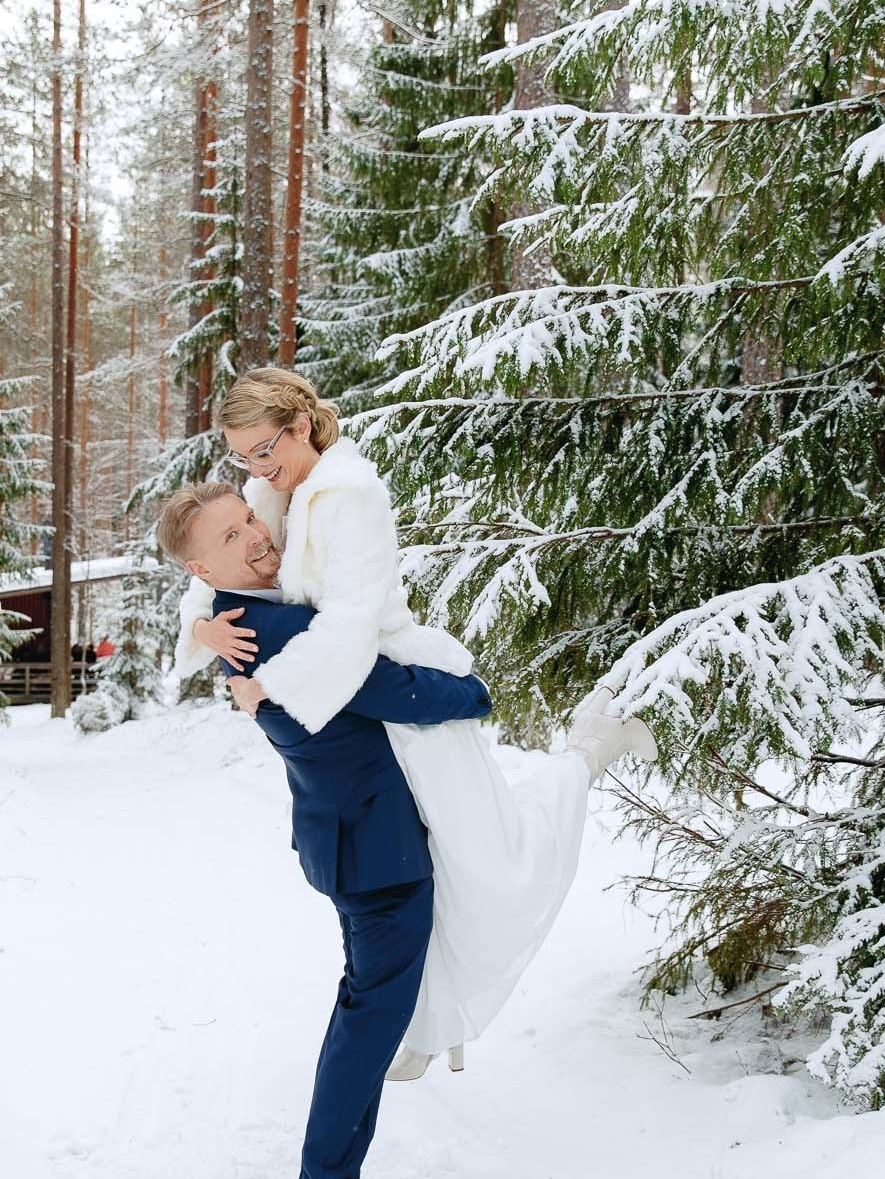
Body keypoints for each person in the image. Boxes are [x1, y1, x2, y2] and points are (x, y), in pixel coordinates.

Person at [172, 369, 656, 1076]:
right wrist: (204, 630)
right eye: (242, 456)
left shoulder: (349, 498)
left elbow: (347, 637)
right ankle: (433, 1027)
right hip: (358, 704)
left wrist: (267, 686)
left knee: (492, 856)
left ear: (301, 426)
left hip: (400, 688)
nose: (254, 469)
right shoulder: (270, 490)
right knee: (446, 873)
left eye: (262, 449)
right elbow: (205, 572)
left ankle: (589, 748)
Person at [155, 483, 491, 1179]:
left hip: (352, 839)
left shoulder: (238, 615)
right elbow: (382, 684)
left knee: (362, 1018)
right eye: (233, 536)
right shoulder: (272, 630)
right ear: (203, 566)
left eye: (249, 522)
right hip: (374, 854)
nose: (255, 536)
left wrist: (202, 622)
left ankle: (334, 1178)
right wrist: (472, 693)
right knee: (366, 1025)